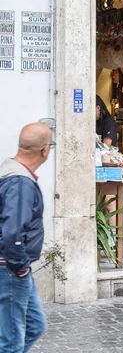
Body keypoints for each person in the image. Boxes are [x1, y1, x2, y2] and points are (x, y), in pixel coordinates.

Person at [0, 122, 54, 352]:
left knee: (35, 325)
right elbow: (12, 233)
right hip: (11, 268)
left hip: (17, 267)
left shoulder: (13, 171)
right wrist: (20, 268)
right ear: (45, 149)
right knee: (11, 341)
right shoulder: (20, 182)